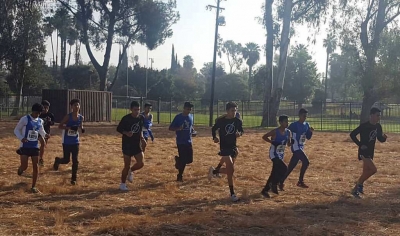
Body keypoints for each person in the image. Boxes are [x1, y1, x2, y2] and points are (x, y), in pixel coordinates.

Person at [208, 102, 243, 202]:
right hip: (224, 147)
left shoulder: (237, 121)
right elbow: (214, 129)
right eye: (232, 110)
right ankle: (232, 194)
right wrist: (214, 137)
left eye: (235, 110)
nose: (234, 112)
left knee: (230, 169)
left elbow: (241, 130)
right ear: (227, 111)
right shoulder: (221, 121)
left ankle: (215, 171)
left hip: (233, 146)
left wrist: (239, 133)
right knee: (231, 171)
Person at [350, 107, 387, 198]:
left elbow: (380, 138)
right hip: (363, 152)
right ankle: (358, 186)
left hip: (371, 151)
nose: (379, 117)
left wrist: (384, 138)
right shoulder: (364, 126)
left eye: (380, 116)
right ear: (371, 115)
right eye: (377, 115)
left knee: (366, 171)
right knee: (373, 170)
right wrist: (360, 144)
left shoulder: (378, 126)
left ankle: (357, 188)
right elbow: (352, 134)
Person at [14, 103, 49, 193]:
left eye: (39, 113)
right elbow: (16, 130)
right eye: (37, 112)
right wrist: (22, 138)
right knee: (25, 166)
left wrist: (45, 135)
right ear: (33, 111)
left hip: (34, 147)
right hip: (25, 146)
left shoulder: (40, 121)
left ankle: (33, 186)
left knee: (35, 166)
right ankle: (21, 169)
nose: (38, 114)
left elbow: (41, 130)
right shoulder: (25, 119)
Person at [53, 99, 85, 185]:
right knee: (66, 160)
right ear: (71, 107)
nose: (76, 107)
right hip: (67, 141)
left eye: (78, 105)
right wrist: (69, 128)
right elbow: (60, 126)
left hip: (75, 141)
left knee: (75, 160)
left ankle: (73, 179)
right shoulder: (68, 116)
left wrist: (82, 128)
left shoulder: (81, 117)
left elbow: (81, 125)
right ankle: (58, 160)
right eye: (75, 105)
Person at [281, 108, 314, 189]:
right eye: (303, 116)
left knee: (291, 167)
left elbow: (308, 137)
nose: (305, 117)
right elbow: (285, 132)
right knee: (306, 162)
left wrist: (311, 132)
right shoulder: (294, 125)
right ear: (299, 116)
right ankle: (300, 181)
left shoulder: (307, 125)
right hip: (295, 147)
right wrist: (288, 141)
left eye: (306, 116)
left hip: (301, 147)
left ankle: (280, 182)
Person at [116, 101, 146, 191]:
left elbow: (140, 129)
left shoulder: (141, 118)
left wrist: (142, 138)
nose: (137, 111)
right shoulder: (126, 119)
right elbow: (118, 129)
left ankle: (130, 171)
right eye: (135, 110)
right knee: (126, 165)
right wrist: (126, 133)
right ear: (131, 109)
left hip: (136, 144)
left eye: (138, 109)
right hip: (127, 144)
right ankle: (122, 184)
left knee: (141, 163)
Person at [260, 115, 291, 198]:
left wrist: (291, 142)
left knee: (274, 172)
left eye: (288, 121)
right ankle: (274, 184)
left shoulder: (288, 132)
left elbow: (288, 144)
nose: (287, 123)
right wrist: (272, 142)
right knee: (284, 168)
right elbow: (264, 137)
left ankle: (265, 190)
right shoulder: (275, 131)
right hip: (273, 153)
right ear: (280, 123)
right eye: (285, 121)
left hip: (280, 154)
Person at [169, 102, 196, 182]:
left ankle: (178, 160)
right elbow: (170, 128)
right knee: (184, 160)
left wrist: (193, 131)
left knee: (190, 160)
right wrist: (178, 128)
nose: (189, 111)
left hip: (189, 141)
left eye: (190, 109)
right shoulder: (178, 117)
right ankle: (180, 175)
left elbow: (191, 126)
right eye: (187, 109)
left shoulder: (191, 116)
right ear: (184, 108)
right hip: (181, 141)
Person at [38, 100, 55, 166]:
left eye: (47, 108)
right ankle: (37, 157)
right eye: (44, 107)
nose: (45, 109)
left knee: (43, 145)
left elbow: (53, 123)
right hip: (37, 131)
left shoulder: (50, 115)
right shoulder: (38, 114)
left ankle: (40, 158)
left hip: (46, 132)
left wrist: (50, 122)